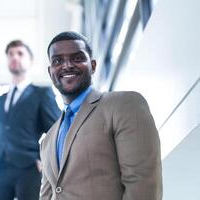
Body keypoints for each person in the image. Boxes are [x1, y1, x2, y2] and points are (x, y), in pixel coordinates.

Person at [39, 31, 162, 200]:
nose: (67, 65)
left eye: (77, 58)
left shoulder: (123, 105)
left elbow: (143, 184)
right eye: (58, 60)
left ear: (93, 65)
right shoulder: (49, 138)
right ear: (50, 71)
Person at [0, 40, 61, 200]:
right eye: (11, 54)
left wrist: (43, 160)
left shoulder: (41, 94)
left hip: (29, 167)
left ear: (30, 60)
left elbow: (57, 130)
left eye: (20, 53)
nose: (14, 57)